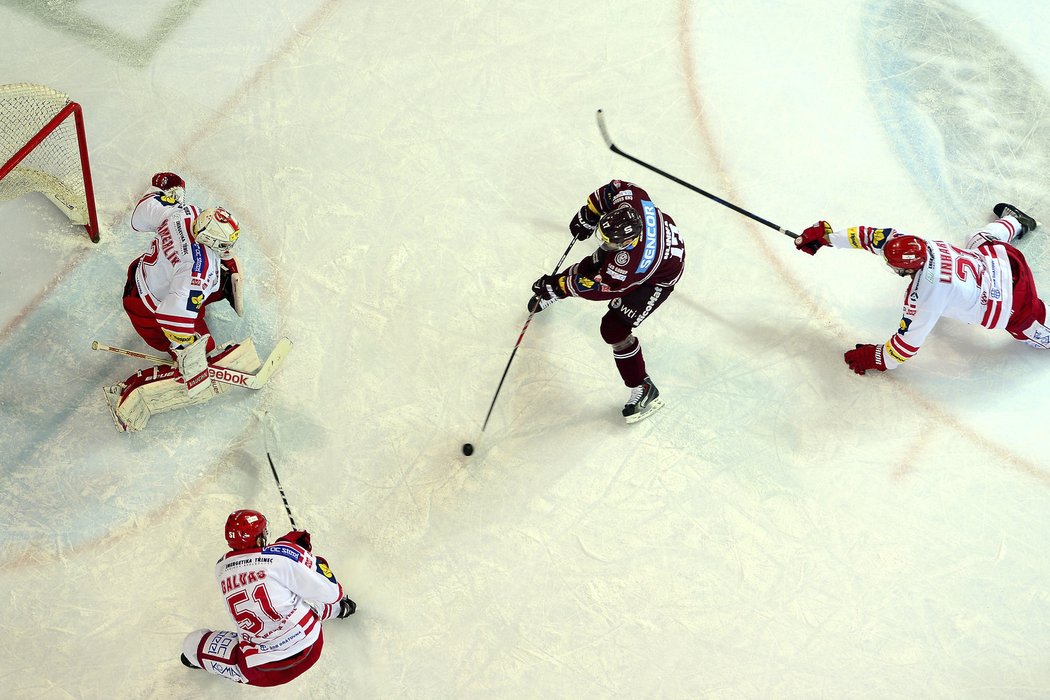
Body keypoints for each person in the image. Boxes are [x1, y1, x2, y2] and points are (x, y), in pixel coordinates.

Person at [793, 203, 1047, 374]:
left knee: (1042, 337)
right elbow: (871, 237)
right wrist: (828, 238)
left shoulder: (925, 296)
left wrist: (877, 358)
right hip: (1006, 262)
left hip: (1014, 305)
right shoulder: (922, 244)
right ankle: (1015, 221)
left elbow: (907, 345)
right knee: (978, 239)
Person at [103, 172, 259, 432]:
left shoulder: (184, 212)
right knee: (199, 345)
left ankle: (202, 304)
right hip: (148, 312)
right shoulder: (197, 269)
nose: (226, 248)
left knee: (199, 287)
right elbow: (170, 318)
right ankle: (134, 394)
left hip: (141, 278)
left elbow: (140, 216)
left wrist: (165, 192)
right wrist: (189, 351)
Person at [529, 180, 686, 422]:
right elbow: (614, 188)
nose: (604, 244)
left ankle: (644, 388)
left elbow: (600, 289)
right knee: (593, 263)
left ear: (627, 243)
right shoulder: (632, 199)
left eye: (610, 242)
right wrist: (589, 213)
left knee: (614, 329)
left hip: (657, 279)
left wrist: (558, 284)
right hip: (655, 247)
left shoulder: (633, 262)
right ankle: (554, 292)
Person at [181, 509, 357, 688]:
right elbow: (333, 592)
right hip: (310, 648)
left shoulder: (220, 568)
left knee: (191, 646)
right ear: (258, 537)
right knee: (297, 594)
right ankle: (340, 609)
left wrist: (288, 551)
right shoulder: (281, 557)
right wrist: (306, 557)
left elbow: (257, 564)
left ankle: (209, 662)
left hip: (261, 670)